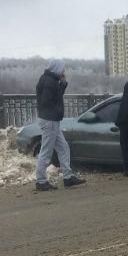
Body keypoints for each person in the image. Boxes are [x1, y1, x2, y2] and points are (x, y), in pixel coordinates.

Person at [34, 59, 85, 190]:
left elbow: (55, 97)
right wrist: (56, 111)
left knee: (63, 148)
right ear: (56, 68)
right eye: (62, 68)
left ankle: (68, 177)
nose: (63, 71)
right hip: (50, 120)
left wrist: (63, 84)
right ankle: (40, 181)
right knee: (46, 151)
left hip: (51, 120)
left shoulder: (49, 79)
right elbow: (46, 101)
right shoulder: (49, 82)